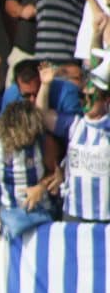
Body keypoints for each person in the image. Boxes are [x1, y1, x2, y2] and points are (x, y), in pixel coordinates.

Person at [36, 62, 110, 222]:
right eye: (82, 96)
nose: (86, 102)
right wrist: (45, 85)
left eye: (92, 97)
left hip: (105, 215)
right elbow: (41, 115)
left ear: (106, 100)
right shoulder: (74, 125)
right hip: (75, 211)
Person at [0, 100, 58, 236]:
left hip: (40, 212)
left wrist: (41, 187)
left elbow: (55, 173)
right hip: (8, 212)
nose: (26, 140)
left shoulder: (43, 141)